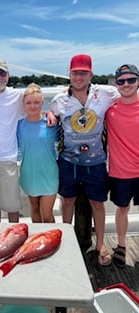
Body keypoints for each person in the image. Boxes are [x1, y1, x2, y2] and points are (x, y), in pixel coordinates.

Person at [51, 53, 119, 266]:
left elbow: (129, 93)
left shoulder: (106, 94)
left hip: (96, 161)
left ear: (91, 74)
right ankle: (67, 241)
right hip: (68, 162)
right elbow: (50, 115)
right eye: (75, 73)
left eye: (83, 73)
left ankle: (100, 244)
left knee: (98, 204)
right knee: (67, 201)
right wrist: (49, 115)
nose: (79, 77)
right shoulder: (59, 100)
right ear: (69, 74)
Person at [0, 59, 56, 223]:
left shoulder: (17, 95)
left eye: (2, 73)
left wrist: (49, 113)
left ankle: (13, 231)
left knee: (12, 204)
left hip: (8, 157)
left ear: (8, 75)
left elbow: (34, 104)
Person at [105, 64, 139, 267]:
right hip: (120, 171)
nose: (126, 84)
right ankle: (121, 244)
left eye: (131, 80)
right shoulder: (110, 110)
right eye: (121, 81)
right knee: (122, 208)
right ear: (116, 84)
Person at [17, 83, 59, 223]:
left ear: (42, 103)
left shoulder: (51, 123)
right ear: (24, 104)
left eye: (36, 102)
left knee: (46, 214)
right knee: (34, 209)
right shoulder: (19, 126)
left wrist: (50, 113)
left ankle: (50, 241)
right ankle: (37, 241)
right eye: (29, 102)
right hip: (29, 174)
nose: (33, 106)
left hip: (49, 175)